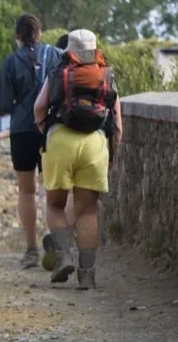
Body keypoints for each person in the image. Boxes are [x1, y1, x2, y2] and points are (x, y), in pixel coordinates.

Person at [32, 29, 120, 290]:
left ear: (69, 49)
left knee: (56, 205)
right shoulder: (106, 75)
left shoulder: (59, 72)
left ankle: (62, 257)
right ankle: (88, 274)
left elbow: (38, 107)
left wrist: (44, 129)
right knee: (88, 211)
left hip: (60, 139)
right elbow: (117, 123)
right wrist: (111, 154)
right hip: (94, 143)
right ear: (95, 49)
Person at [0, 14, 62, 269]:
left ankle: (31, 249)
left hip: (22, 129)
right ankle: (58, 243)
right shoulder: (56, 55)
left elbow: (3, 104)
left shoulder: (11, 62)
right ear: (40, 33)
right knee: (52, 189)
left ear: (17, 37)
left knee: (26, 190)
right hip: (50, 130)